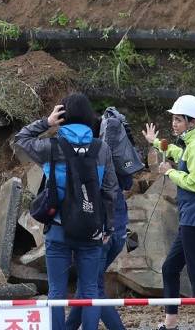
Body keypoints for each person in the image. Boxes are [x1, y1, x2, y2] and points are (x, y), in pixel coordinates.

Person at [15, 93, 118, 330]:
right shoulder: (101, 148)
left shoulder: (50, 147)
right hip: (92, 229)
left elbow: (21, 138)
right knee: (90, 291)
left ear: (63, 116)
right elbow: (110, 191)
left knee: (57, 292)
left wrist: (46, 123)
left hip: (58, 230)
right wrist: (108, 227)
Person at [143, 95, 195, 330]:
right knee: (170, 268)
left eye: (178, 119)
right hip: (192, 217)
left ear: (192, 121)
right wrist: (156, 142)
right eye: (174, 119)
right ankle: (171, 323)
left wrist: (169, 172)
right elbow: (178, 153)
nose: (174, 123)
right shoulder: (193, 143)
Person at [66, 107, 143, 330]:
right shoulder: (113, 152)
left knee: (93, 289)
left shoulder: (94, 157)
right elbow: (127, 184)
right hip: (118, 232)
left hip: (102, 234)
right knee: (88, 286)